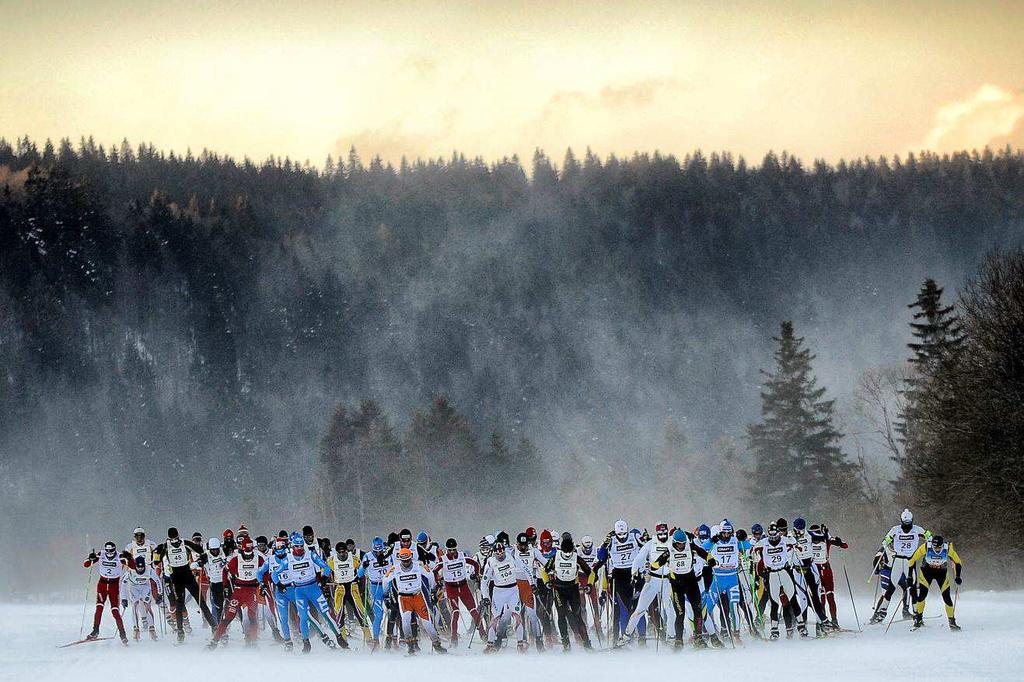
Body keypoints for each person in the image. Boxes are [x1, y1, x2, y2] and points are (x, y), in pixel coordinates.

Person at [281, 531, 347, 651]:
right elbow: (275, 573)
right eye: (297, 546)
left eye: (301, 546)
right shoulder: (288, 559)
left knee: (325, 613)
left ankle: (339, 637)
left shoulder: (310, 554)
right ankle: (306, 642)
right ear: (292, 546)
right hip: (299, 591)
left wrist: (324, 577)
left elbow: (326, 566)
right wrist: (278, 584)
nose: (299, 549)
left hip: (313, 588)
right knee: (304, 617)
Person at [652, 529, 715, 650]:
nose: (681, 545)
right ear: (674, 542)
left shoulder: (690, 546)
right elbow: (657, 563)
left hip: (691, 583)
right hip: (677, 586)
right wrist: (652, 566)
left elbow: (704, 553)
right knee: (680, 614)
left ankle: (698, 637)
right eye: (679, 543)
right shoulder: (669, 551)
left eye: (683, 543)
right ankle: (678, 640)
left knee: (698, 611)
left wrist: (710, 560)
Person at [154, 527, 217, 643]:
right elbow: (156, 562)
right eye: (172, 539)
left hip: (187, 574)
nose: (174, 542)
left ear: (178, 536)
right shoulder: (165, 546)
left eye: (176, 539)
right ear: (168, 538)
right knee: (179, 604)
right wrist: (158, 552)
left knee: (201, 601)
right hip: (176, 577)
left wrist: (203, 557)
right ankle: (180, 632)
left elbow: (199, 549)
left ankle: (214, 627)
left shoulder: (185, 543)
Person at [208, 535, 270, 649]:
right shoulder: (236, 559)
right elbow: (225, 571)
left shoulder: (259, 559)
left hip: (252, 591)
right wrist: (226, 587)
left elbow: (265, 571)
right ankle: (214, 641)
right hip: (238, 591)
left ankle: (253, 642)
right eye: (245, 553)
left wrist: (264, 585)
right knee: (228, 616)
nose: (248, 556)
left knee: (252, 616)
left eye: (250, 553)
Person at [383, 547, 447, 654]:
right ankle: (410, 646)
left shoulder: (418, 566)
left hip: (417, 596)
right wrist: (386, 596)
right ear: (400, 560)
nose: (406, 563)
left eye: (408, 560)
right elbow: (385, 580)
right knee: (406, 621)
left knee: (427, 623)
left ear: (411, 558)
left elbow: (430, 575)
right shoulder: (395, 569)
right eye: (404, 561)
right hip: (404, 598)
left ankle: (437, 645)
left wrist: (433, 591)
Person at [870, 509, 927, 624]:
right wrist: (885, 545)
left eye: (909, 523)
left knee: (912, 588)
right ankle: (882, 612)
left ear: (912, 521)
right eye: (905, 523)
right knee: (891, 587)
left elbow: (929, 537)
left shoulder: (917, 529)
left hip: (910, 561)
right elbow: (885, 541)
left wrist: (927, 550)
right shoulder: (895, 530)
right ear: (901, 521)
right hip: (898, 561)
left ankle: (917, 615)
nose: (907, 526)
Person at [620, 522, 672, 645]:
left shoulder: (672, 542)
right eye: (660, 534)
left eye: (665, 533)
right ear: (657, 533)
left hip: (667, 580)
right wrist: (634, 574)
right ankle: (626, 636)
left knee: (670, 611)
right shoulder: (651, 543)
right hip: (653, 580)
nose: (663, 536)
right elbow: (638, 559)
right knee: (640, 610)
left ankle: (672, 637)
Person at [753, 523, 806, 640]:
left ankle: (801, 626)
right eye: (771, 536)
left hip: (783, 572)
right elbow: (754, 548)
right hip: (772, 574)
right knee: (774, 603)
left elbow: (796, 544)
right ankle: (774, 630)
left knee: (793, 599)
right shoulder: (764, 542)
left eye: (775, 535)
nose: (773, 538)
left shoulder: (784, 539)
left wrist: (796, 545)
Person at [593, 519, 642, 641]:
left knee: (638, 608)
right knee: (623, 609)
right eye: (619, 535)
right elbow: (600, 557)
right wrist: (604, 544)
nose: (622, 537)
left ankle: (641, 637)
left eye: (624, 534)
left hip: (633, 573)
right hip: (618, 575)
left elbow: (646, 548)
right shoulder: (611, 540)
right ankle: (623, 638)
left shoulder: (634, 537)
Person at [433, 537, 486, 646]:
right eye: (450, 550)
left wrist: (476, 575)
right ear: (446, 550)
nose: (452, 552)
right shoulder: (443, 559)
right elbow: (435, 570)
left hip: (463, 586)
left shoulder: (461, 556)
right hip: (451, 588)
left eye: (454, 550)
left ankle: (483, 634)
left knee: (474, 611)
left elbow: (475, 564)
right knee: (455, 613)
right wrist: (438, 580)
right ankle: (454, 639)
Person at [545, 533, 594, 651]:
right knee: (561, 615)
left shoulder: (576, 557)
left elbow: (590, 572)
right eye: (565, 552)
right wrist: (547, 582)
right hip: (559, 589)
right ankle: (566, 643)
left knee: (577, 616)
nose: (567, 555)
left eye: (569, 553)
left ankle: (587, 643)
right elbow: (544, 570)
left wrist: (589, 584)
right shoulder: (555, 557)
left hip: (573, 589)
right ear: (561, 550)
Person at [908, 534, 963, 631]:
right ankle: (918, 619)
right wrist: (909, 575)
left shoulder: (947, 549)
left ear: (942, 545)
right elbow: (912, 560)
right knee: (922, 596)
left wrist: (958, 576)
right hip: (926, 572)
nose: (937, 549)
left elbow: (958, 562)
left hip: (941, 573)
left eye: (939, 547)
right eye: (935, 547)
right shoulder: (926, 547)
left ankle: (952, 622)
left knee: (947, 598)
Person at [482, 541, 526, 653]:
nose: (500, 556)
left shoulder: (511, 556)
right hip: (499, 591)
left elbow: (525, 568)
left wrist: (532, 583)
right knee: (495, 617)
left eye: (502, 553)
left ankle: (520, 643)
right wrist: (485, 596)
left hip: (513, 590)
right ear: (494, 553)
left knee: (517, 616)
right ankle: (490, 644)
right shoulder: (491, 562)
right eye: (498, 554)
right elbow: (484, 581)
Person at [83, 541, 128, 644]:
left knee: (115, 611)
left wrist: (129, 558)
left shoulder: (120, 556)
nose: (109, 553)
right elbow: (86, 565)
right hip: (102, 585)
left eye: (111, 551)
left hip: (114, 586)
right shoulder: (101, 554)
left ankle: (122, 634)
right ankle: (95, 631)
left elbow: (133, 566)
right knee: (99, 608)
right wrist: (91, 558)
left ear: (114, 550)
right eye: (107, 551)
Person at [808, 523, 848, 628]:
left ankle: (833, 621)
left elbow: (845, 545)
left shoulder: (825, 538)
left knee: (829, 595)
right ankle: (824, 621)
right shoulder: (814, 539)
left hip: (824, 571)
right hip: (816, 571)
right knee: (822, 597)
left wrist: (839, 541)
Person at [331, 541, 370, 642]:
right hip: (340, 589)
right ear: (336, 552)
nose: (342, 554)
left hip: (352, 587)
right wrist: (323, 578)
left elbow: (360, 573)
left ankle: (369, 638)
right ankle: (343, 639)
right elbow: (325, 570)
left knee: (360, 612)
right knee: (339, 613)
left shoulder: (353, 559)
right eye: (339, 552)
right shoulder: (332, 560)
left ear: (346, 551)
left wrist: (364, 566)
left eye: (343, 552)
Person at [120, 555, 163, 640]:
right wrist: (123, 598)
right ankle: (136, 628)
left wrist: (160, 594)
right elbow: (123, 584)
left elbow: (157, 580)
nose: (140, 569)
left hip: (145, 587)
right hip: (134, 587)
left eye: (142, 568)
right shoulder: (130, 571)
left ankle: (152, 629)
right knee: (135, 605)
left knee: (147, 605)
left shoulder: (149, 570)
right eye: (138, 568)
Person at [358, 536, 390, 650]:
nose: (378, 553)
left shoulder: (388, 555)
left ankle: (392, 638)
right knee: (379, 615)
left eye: (380, 550)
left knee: (393, 613)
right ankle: (376, 640)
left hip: (388, 586)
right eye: (376, 551)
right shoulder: (367, 556)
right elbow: (360, 574)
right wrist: (364, 567)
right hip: (375, 588)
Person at [196, 537, 229, 625]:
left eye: (216, 550)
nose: (215, 552)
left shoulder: (223, 551)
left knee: (228, 602)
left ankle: (227, 623)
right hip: (214, 583)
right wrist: (197, 563)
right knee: (217, 605)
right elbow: (197, 562)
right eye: (212, 550)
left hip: (226, 581)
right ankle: (218, 625)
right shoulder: (206, 555)